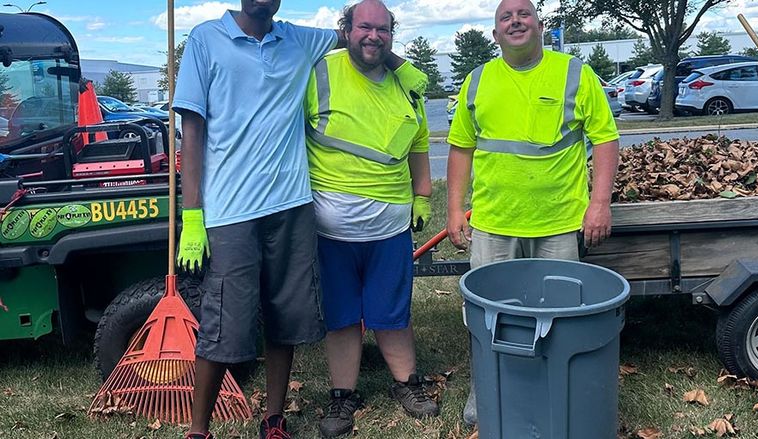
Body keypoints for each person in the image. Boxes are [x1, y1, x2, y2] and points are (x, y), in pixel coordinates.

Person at [173, 1, 424, 438]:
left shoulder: (297, 39)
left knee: (283, 318)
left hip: (291, 206)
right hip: (231, 211)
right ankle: (199, 429)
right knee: (224, 325)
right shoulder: (205, 39)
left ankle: (274, 419)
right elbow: (191, 129)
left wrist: (405, 69)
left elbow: (362, 38)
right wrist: (192, 215)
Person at [445, 0, 620, 426]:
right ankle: (484, 388)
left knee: (558, 317)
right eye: (505, 17)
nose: (515, 21)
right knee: (487, 316)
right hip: (493, 222)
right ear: (495, 34)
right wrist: (453, 208)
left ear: (541, 26)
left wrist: (599, 203)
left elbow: (605, 139)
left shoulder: (573, 73)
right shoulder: (478, 80)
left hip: (558, 222)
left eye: (523, 14)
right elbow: (460, 148)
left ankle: (551, 384)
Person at [303, 1, 438, 437]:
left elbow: (418, 140)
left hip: (389, 228)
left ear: (391, 35)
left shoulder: (406, 85)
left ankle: (407, 384)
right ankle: (342, 396)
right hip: (330, 231)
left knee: (393, 312)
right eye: (364, 27)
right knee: (341, 317)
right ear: (346, 30)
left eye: (383, 29)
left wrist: (422, 195)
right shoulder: (319, 73)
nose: (373, 36)